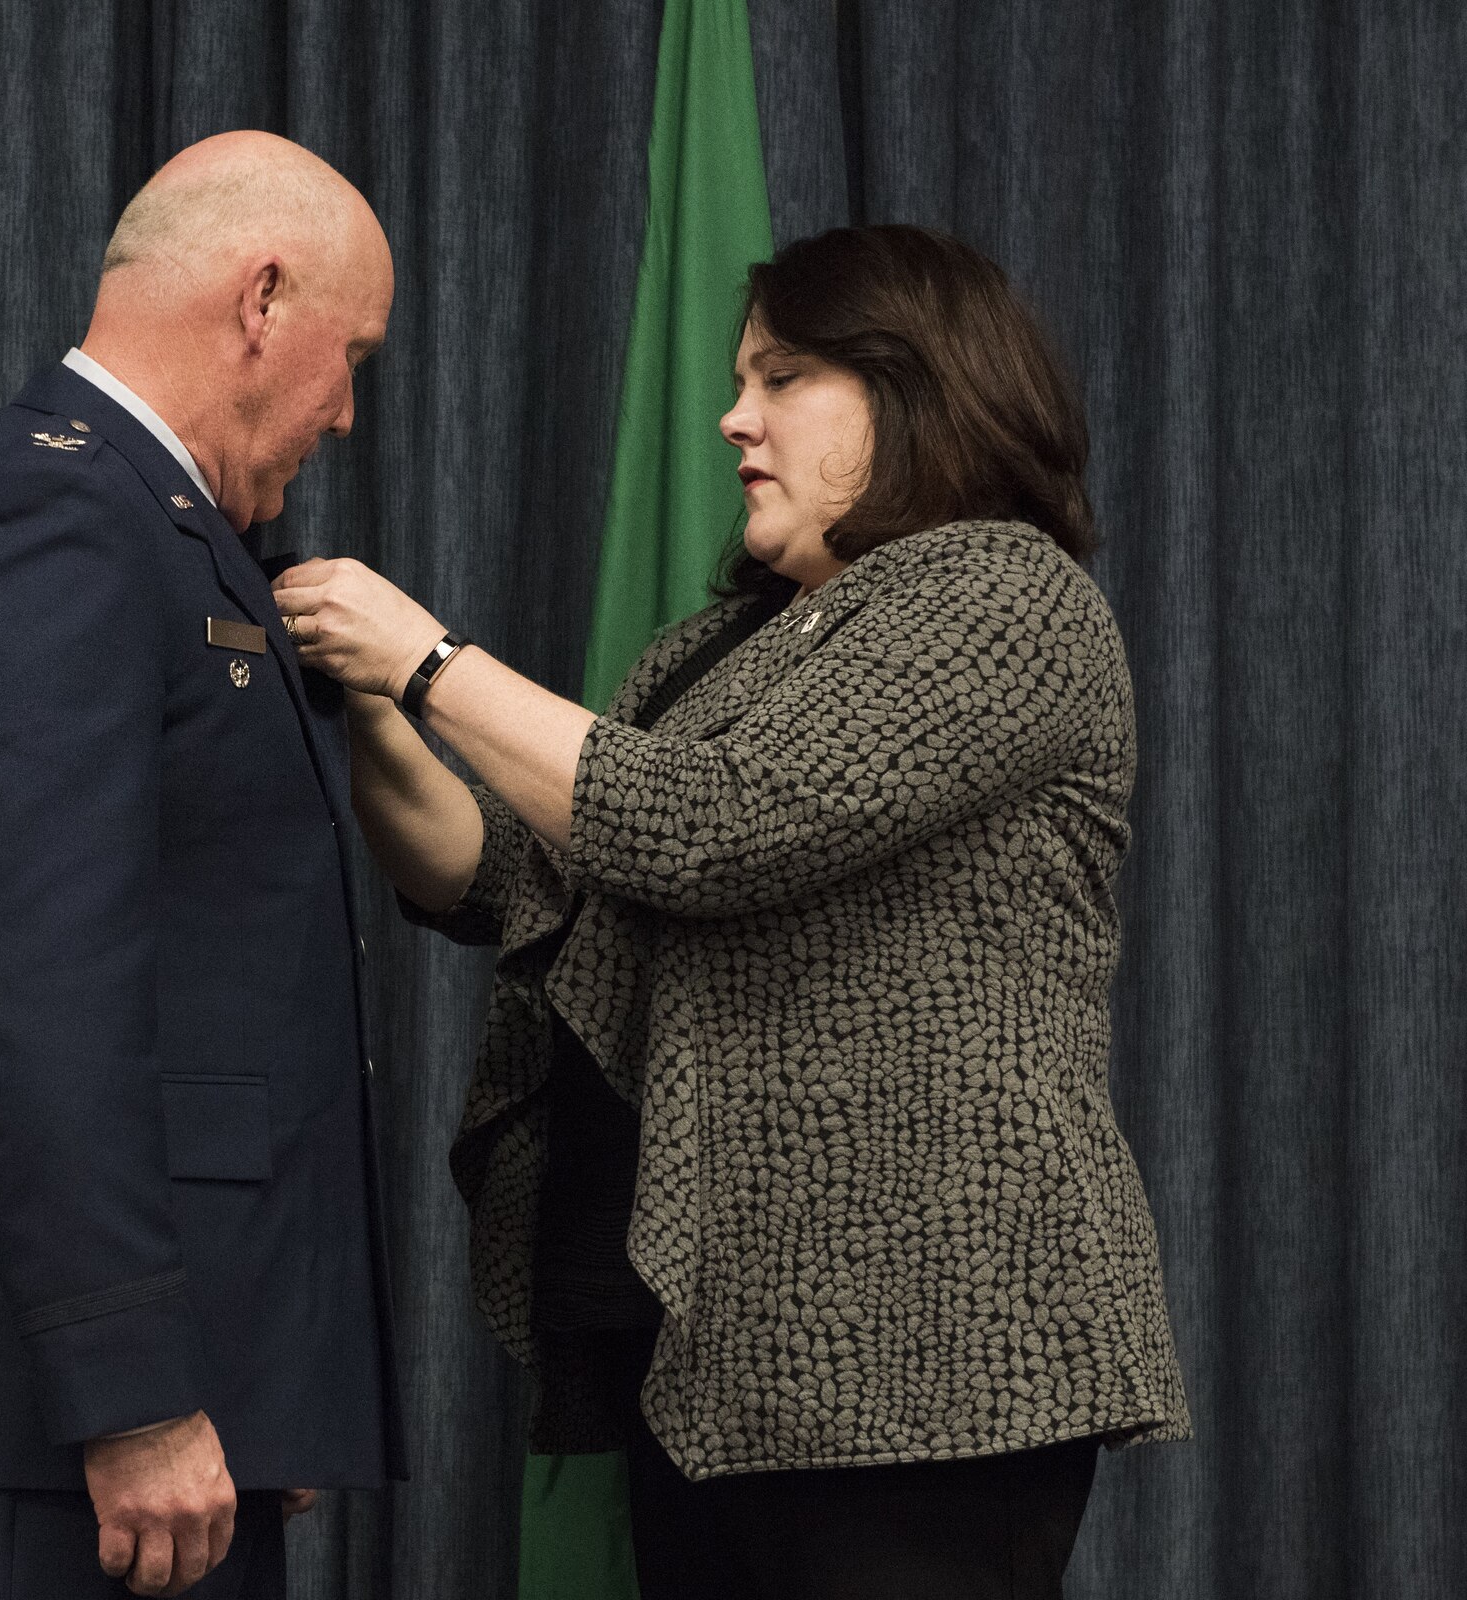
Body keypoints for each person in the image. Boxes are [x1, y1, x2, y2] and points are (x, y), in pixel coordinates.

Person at [272, 224, 1190, 1599]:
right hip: (719, 1361)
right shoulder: (716, 647)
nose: (731, 418)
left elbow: (712, 827)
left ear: (912, 387)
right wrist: (375, 706)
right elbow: (505, 876)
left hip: (930, 1354)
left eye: (781, 377)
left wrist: (430, 658)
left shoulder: (1004, 590)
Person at [0, 131, 405, 1600]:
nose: (345, 415)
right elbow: (37, 989)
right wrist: (132, 1391)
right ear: (261, 301)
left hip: (163, 1414)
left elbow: (214, 988)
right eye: (354, 355)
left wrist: (273, 1383)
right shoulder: (61, 518)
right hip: (63, 1439)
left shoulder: (145, 521)